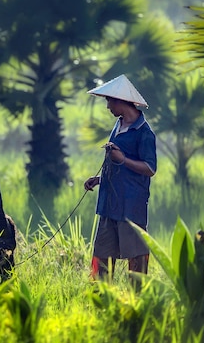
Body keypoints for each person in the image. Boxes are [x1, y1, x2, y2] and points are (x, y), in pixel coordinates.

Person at [83, 74, 157, 290]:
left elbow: (150, 169)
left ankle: (137, 304)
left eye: (109, 101)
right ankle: (100, 299)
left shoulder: (144, 132)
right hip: (108, 205)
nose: (107, 106)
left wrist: (123, 159)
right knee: (102, 255)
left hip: (130, 207)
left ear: (121, 101)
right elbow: (116, 164)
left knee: (136, 259)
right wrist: (98, 180)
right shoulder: (118, 125)